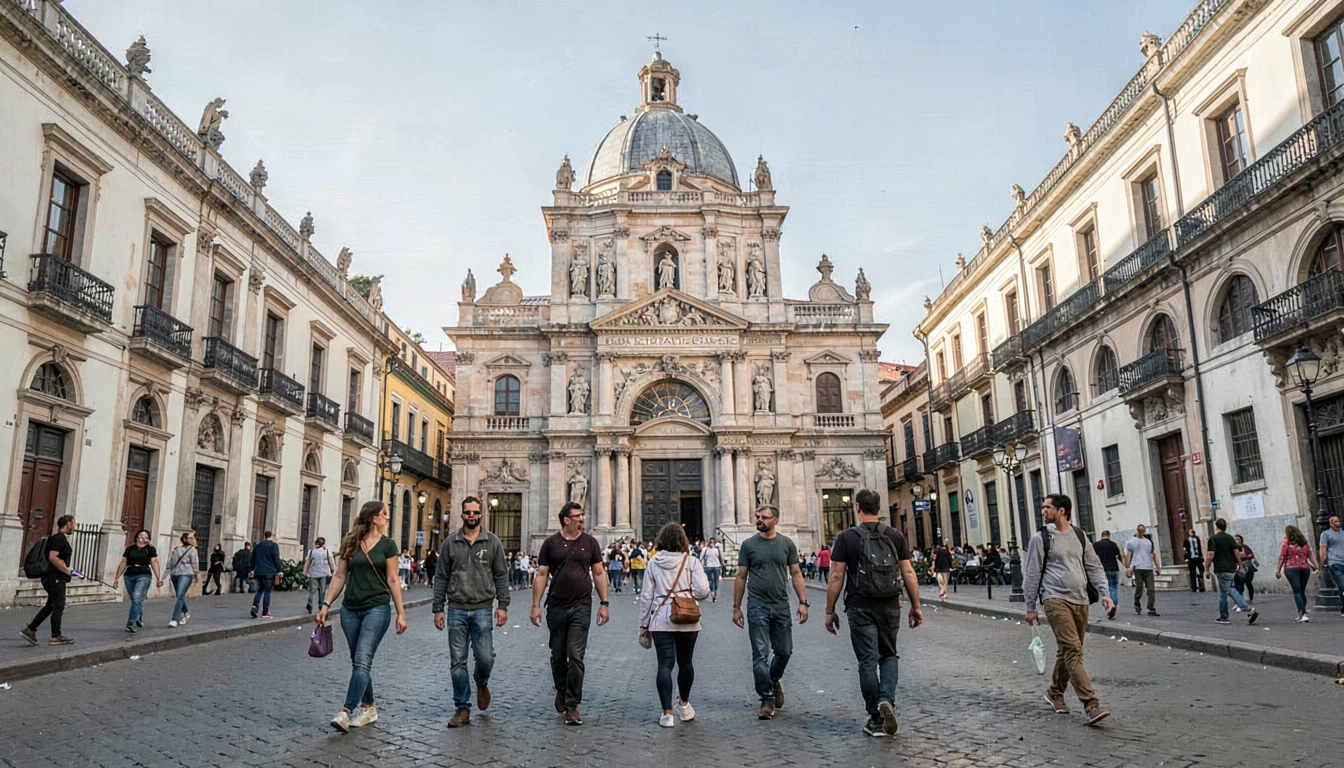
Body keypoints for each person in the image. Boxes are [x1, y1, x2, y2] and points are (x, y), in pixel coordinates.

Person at [824, 488, 922, 738]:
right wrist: (916, 606)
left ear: (857, 507)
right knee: (889, 655)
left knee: (867, 661)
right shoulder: (895, 535)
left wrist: (830, 610)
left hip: (859, 606)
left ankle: (876, 717)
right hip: (890, 605)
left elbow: (836, 576)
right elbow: (908, 573)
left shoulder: (846, 538)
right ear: (879, 508)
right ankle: (886, 698)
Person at [1022, 494, 1114, 726]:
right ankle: (1091, 705)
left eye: (1048, 507)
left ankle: (1054, 692)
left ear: (1062, 511)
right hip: (1054, 599)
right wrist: (1030, 606)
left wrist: (1105, 593)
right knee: (1073, 650)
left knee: (1068, 650)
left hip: (1081, 600)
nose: (1044, 511)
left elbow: (1094, 566)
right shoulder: (1041, 538)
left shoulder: (1080, 536)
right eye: (1043, 507)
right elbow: (1032, 572)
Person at [317, 500, 408, 732]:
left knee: (362, 659)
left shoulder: (388, 545)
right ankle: (369, 708)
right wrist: (326, 605)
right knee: (359, 662)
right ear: (373, 518)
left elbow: (392, 579)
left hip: (377, 608)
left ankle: (345, 711)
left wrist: (400, 613)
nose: (388, 518)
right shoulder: (350, 542)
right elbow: (339, 576)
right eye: (384, 515)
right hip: (350, 610)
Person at [434, 496, 510, 728]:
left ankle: (481, 681)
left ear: (481, 514)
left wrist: (503, 605)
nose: (472, 516)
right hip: (456, 608)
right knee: (458, 661)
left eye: (476, 512)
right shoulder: (450, 543)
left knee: (485, 657)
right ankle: (462, 708)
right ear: (462, 514)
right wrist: (438, 608)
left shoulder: (492, 542)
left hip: (483, 609)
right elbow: (441, 576)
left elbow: (501, 574)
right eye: (468, 512)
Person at [531, 502, 610, 726]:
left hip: (581, 605)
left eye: (583, 515)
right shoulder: (550, 543)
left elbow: (598, 572)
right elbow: (541, 574)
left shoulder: (590, 542)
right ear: (566, 519)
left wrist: (604, 603)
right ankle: (562, 688)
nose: (582, 519)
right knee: (557, 655)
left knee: (575, 655)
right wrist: (535, 605)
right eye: (578, 516)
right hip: (556, 605)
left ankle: (573, 705)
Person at [733, 504, 808, 721]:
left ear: (775, 520)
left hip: (781, 605)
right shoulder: (748, 545)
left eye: (764, 517)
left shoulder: (786, 544)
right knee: (760, 654)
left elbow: (795, 573)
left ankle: (774, 679)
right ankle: (766, 698)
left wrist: (803, 602)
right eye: (758, 517)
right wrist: (736, 608)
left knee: (785, 651)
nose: (759, 520)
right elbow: (740, 576)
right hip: (757, 606)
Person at [641, 522, 711, 728]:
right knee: (686, 663)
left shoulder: (653, 563)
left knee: (664, 664)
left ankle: (667, 714)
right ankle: (684, 704)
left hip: (661, 618)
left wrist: (643, 625)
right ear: (683, 541)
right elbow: (703, 591)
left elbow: (646, 597)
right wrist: (687, 594)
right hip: (687, 617)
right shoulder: (692, 562)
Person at [20, 514, 78, 646]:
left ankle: (31, 629)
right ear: (68, 524)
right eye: (74, 523)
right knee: (58, 605)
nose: (75, 526)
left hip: (52, 577)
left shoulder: (56, 538)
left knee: (51, 605)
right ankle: (56, 636)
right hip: (55, 577)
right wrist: (66, 570)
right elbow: (53, 557)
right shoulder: (59, 539)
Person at [1204, 518, 1258, 625]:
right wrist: (1241, 567)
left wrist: (1206, 569)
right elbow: (1237, 554)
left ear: (1216, 526)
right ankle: (1224, 616)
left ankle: (1247, 608)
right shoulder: (1230, 538)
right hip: (1232, 568)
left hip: (1221, 568)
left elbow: (1210, 555)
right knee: (1223, 593)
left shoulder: (1213, 539)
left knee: (1228, 590)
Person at [112, 529, 163, 633]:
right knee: (136, 599)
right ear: (136, 537)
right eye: (140, 535)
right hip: (129, 575)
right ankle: (139, 617)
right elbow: (123, 562)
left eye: (145, 536)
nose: (142, 537)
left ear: (148, 539)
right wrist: (116, 578)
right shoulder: (130, 549)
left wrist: (158, 578)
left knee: (136, 597)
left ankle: (130, 624)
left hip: (144, 574)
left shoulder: (150, 549)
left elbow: (154, 562)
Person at [1275, 524, 1319, 623]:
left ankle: (1302, 613)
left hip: (1291, 568)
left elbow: (1282, 557)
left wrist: (1278, 570)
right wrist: (1317, 567)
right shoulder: (1304, 543)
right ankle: (1302, 613)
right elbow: (1310, 556)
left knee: (1297, 591)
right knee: (1302, 591)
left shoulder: (1286, 543)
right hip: (1304, 568)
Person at [162, 532, 199, 628]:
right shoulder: (175, 550)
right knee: (179, 595)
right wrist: (163, 577)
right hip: (175, 574)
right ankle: (186, 613)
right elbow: (170, 564)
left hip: (186, 573)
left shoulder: (192, 550)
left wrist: (196, 574)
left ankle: (174, 619)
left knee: (180, 596)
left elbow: (194, 563)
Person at [1123, 525, 1160, 616]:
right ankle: (1136, 602)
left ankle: (1151, 607)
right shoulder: (1131, 542)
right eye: (1140, 530)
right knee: (1139, 588)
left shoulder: (1148, 542)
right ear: (1137, 531)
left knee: (1151, 589)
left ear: (1144, 531)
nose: (1141, 532)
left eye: (1143, 531)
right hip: (1137, 567)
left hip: (1148, 567)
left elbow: (1153, 554)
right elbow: (1128, 556)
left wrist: (1157, 567)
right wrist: (1127, 568)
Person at [250, 530, 282, 619]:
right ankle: (265, 611)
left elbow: (252, 558)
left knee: (260, 590)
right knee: (267, 591)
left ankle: (255, 606)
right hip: (269, 571)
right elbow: (276, 558)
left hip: (259, 571)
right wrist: (279, 570)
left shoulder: (258, 545)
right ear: (272, 536)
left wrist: (252, 569)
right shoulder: (274, 545)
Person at [1092, 531, 1122, 619]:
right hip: (1114, 568)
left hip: (1103, 569)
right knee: (1114, 587)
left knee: (1107, 588)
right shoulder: (1113, 544)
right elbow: (1119, 555)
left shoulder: (1096, 545)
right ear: (1109, 535)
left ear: (1101, 536)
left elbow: (1093, 558)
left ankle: (1110, 605)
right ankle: (1114, 603)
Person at [1319, 515, 1344, 618]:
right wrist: (1322, 563)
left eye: (1337, 520)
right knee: (1343, 586)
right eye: (1334, 521)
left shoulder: (1343, 533)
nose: (1337, 522)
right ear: (1330, 523)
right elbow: (1323, 549)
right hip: (1335, 563)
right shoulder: (1326, 534)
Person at [305, 537, 335, 614]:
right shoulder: (327, 551)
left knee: (312, 590)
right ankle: (321, 605)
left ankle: (310, 602)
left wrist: (305, 572)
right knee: (322, 591)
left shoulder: (311, 552)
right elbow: (331, 562)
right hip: (324, 573)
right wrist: (333, 571)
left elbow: (307, 563)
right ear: (323, 543)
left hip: (313, 574)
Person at [1232, 535, 1258, 604]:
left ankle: (1250, 595)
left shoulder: (1244, 547)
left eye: (1238, 539)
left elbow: (1251, 555)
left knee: (1247, 581)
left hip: (1247, 566)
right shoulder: (1232, 549)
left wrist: (1243, 557)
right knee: (1239, 582)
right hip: (1237, 567)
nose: (1236, 540)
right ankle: (1240, 598)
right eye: (1235, 539)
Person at [700, 538, 722, 602]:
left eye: (712, 542)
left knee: (716, 580)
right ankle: (713, 591)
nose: (711, 544)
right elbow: (701, 557)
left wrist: (721, 563)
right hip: (708, 566)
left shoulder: (717, 549)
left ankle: (715, 592)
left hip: (716, 566)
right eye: (710, 542)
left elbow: (720, 557)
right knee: (710, 579)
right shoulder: (705, 549)